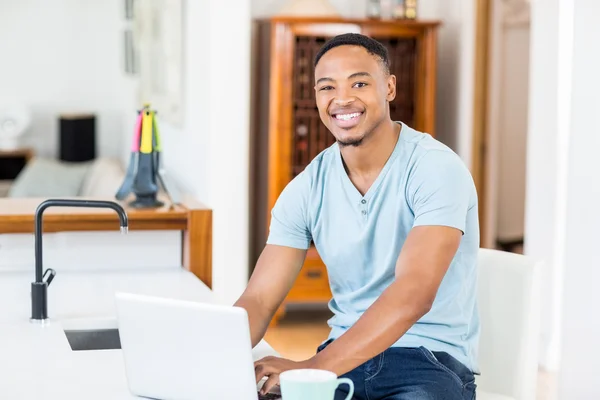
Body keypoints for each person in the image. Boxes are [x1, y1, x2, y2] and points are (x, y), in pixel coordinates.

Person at [234, 33, 480, 400]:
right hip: (342, 356)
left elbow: (412, 296)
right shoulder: (306, 188)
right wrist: (214, 358)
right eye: (327, 87)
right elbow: (259, 299)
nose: (342, 99)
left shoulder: (435, 169)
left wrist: (311, 369)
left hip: (428, 362)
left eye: (360, 83)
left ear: (390, 88)